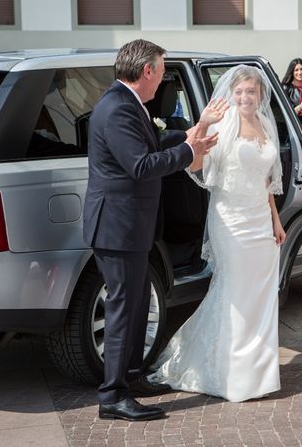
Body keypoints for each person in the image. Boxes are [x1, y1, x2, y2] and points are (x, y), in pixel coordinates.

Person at [83, 39, 224, 422]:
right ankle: (112, 395)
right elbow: (140, 165)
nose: (162, 81)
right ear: (147, 71)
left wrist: (190, 133)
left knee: (138, 306)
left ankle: (131, 376)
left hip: (131, 227)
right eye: (161, 73)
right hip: (117, 227)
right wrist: (189, 155)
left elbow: (152, 141)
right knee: (123, 311)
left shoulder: (129, 105)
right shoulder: (116, 109)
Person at [149, 65, 286, 402]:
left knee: (260, 297)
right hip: (231, 220)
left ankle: (259, 374)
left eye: (251, 92)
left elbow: (267, 181)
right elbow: (195, 166)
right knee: (237, 294)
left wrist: (275, 221)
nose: (245, 98)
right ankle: (232, 376)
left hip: (259, 221)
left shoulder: (267, 125)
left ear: (260, 94)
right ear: (230, 94)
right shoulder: (224, 125)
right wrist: (204, 127)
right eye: (239, 92)